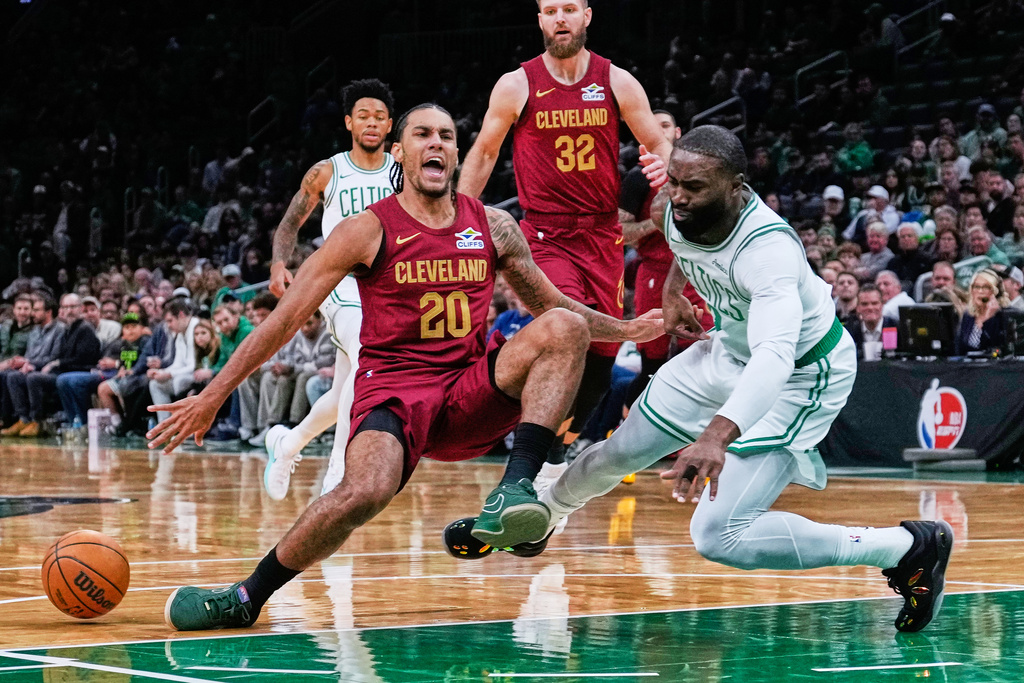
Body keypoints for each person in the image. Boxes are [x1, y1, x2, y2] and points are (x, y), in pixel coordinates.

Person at [151, 104, 663, 631]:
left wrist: (630, 330)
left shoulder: (494, 226)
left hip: (468, 391)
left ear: (456, 154)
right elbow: (283, 322)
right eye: (421, 134)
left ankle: (515, 489)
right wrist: (212, 395)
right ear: (399, 152)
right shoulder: (365, 230)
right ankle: (246, 596)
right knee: (363, 492)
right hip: (393, 391)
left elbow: (555, 304)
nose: (435, 142)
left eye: (446, 135)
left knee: (564, 326)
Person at [488, 126, 954, 634]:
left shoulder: (769, 250)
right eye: (674, 182)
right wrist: (672, 290)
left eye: (694, 187)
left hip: (799, 375)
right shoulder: (673, 208)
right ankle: (541, 517)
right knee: (619, 452)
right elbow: (682, 246)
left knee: (718, 536)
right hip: (727, 352)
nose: (679, 196)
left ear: (736, 187)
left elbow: (775, 357)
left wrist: (716, 435)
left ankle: (907, 548)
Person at [457, 0, 673, 482]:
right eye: (551, 9)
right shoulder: (517, 84)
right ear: (539, 19)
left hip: (602, 235)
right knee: (567, 326)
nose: (560, 18)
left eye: (569, 9)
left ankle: (553, 447)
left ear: (586, 16)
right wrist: (457, 219)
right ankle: (528, 460)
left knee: (599, 368)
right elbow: (485, 151)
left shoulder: (616, 81)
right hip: (545, 235)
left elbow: (658, 141)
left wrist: (665, 164)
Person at [263, 78, 396, 500]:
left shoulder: (402, 170)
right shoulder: (327, 171)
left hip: (385, 286)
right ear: (348, 122)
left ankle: (287, 444)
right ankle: (339, 469)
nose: (371, 123)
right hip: (340, 282)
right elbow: (290, 222)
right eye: (363, 116)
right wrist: (279, 263)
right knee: (365, 353)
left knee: (343, 391)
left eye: (379, 117)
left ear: (389, 125)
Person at [955, 268, 1007, 354]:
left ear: (996, 292)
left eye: (986, 287)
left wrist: (988, 319)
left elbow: (995, 348)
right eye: (976, 287)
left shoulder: (1003, 317)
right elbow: (959, 348)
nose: (980, 291)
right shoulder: (968, 315)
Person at [844, 284, 897, 362]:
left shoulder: (897, 328)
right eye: (864, 304)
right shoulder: (849, 332)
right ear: (858, 308)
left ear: (882, 305)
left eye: (874, 303)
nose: (870, 308)